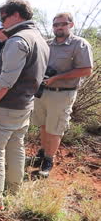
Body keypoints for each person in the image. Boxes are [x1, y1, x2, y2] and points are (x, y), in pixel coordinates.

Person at [0, 0, 49, 210]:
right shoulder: (41, 39)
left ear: (16, 15)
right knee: (16, 147)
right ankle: (14, 190)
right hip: (24, 106)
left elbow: (6, 80)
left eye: (3, 18)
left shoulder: (17, 40)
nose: (2, 22)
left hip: (5, 107)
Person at [30, 12, 93, 178]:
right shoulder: (48, 44)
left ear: (71, 25)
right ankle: (42, 154)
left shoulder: (79, 44)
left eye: (63, 24)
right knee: (43, 125)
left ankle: (49, 160)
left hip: (62, 94)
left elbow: (86, 70)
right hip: (43, 92)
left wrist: (57, 77)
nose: (59, 27)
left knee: (55, 128)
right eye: (56, 24)